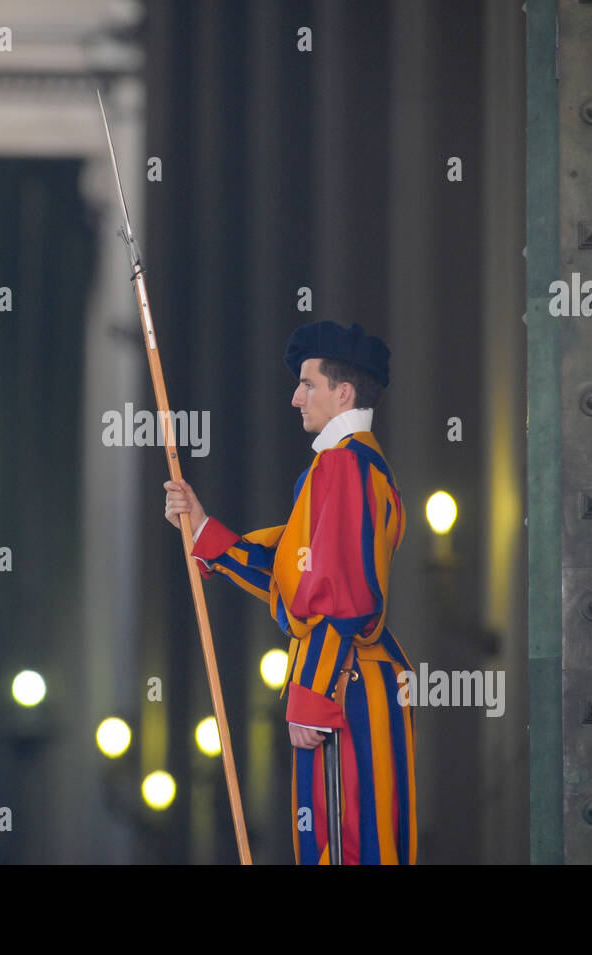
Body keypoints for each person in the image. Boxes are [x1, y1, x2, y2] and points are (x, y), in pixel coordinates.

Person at [163, 320, 415, 865]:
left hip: (343, 681)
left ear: (343, 393)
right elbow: (289, 572)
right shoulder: (334, 467)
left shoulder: (347, 466)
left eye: (308, 383)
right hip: (340, 676)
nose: (295, 396)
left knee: (347, 841)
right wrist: (203, 529)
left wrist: (313, 690)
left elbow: (341, 595)